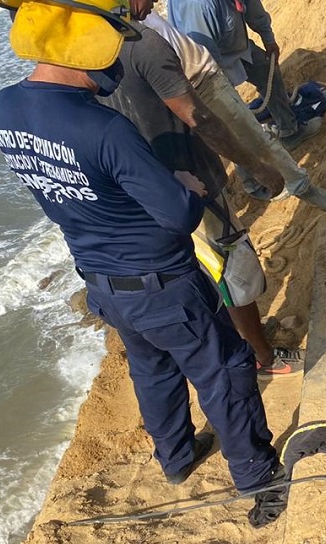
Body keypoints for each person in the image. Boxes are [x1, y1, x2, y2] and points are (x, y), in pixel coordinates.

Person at [0, 0, 285, 525]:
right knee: (225, 369)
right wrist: (185, 187)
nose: (116, 62)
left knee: (152, 368)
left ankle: (175, 457)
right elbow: (175, 216)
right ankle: (259, 481)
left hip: (101, 280)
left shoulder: (4, 108)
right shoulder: (103, 129)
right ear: (85, 50)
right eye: (110, 47)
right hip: (164, 281)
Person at [98, 17, 303, 376]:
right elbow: (199, 118)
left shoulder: (83, 53)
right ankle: (261, 357)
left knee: (194, 274)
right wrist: (257, 166)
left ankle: (233, 349)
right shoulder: (144, 43)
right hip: (191, 182)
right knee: (232, 268)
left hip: (139, 192)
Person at [140, 8, 326, 208]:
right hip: (189, 86)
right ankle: (276, 186)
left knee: (252, 136)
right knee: (241, 141)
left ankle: (298, 176)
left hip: (206, 75)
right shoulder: (197, 8)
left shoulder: (137, 13)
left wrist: (267, 37)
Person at [169, 0, 321, 151]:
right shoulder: (200, 6)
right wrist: (224, 90)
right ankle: (251, 167)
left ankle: (290, 131)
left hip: (236, 46)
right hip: (208, 62)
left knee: (267, 70)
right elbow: (205, 58)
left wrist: (268, 39)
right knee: (232, 115)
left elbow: (255, 11)